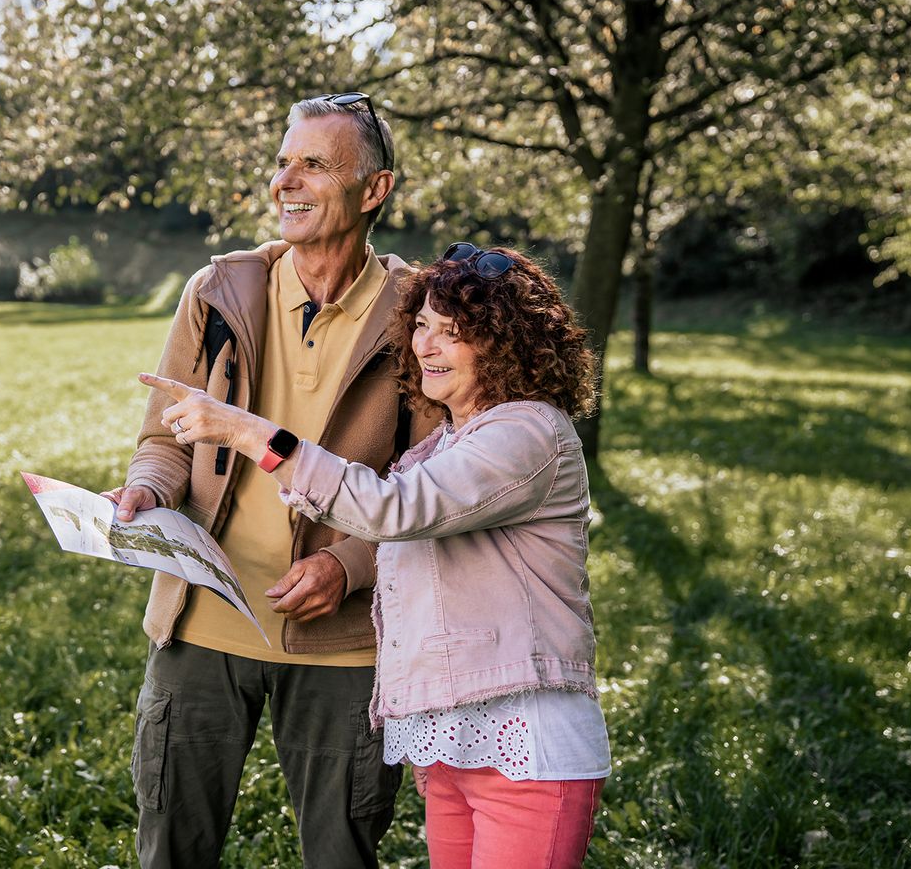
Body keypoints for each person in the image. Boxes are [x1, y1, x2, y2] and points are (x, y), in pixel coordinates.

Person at [146, 243, 611, 869]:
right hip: (450, 738)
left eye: (455, 333)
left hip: (525, 737)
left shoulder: (526, 434)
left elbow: (391, 510)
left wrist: (247, 430)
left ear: (505, 344)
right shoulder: (448, 441)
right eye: (421, 326)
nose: (427, 347)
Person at [103, 93, 439, 869]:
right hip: (204, 623)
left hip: (346, 642)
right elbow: (164, 438)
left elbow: (432, 487)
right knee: (171, 848)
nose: (286, 180)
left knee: (340, 854)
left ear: (374, 190)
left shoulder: (418, 312)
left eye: (313, 164)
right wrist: (147, 492)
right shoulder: (217, 293)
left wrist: (348, 566)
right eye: (283, 160)